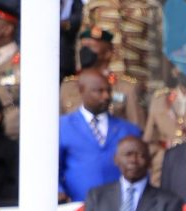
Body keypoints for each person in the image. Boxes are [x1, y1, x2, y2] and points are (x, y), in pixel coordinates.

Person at [55, 64, 131, 200]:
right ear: (81, 90)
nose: (106, 96)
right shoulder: (62, 126)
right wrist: (59, 192)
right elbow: (52, 166)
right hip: (76, 207)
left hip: (117, 207)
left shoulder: (127, 129)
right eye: (99, 91)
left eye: (108, 91)